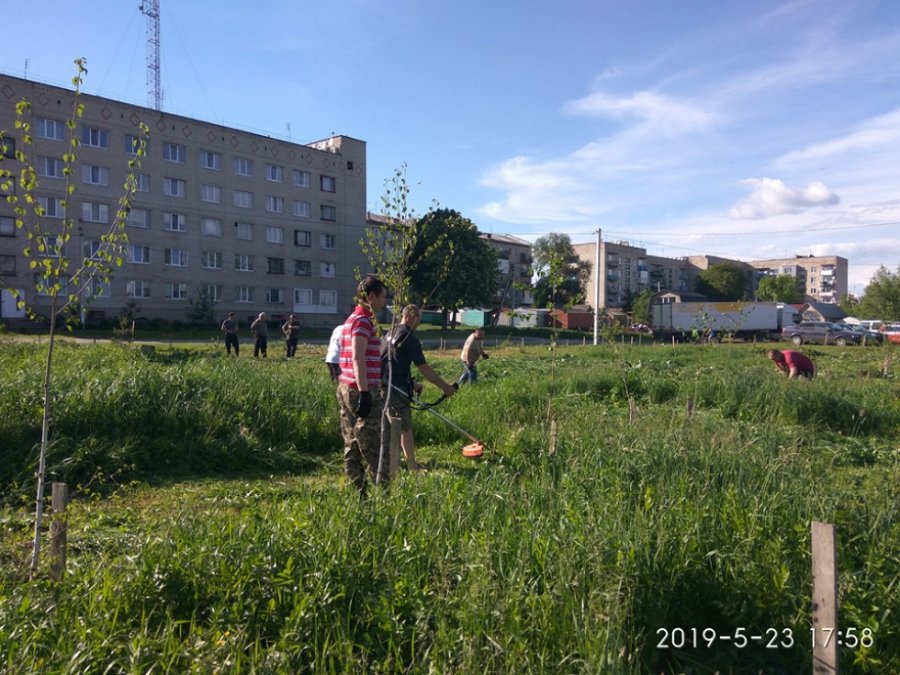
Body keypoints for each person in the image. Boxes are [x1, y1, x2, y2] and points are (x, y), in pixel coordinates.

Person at [382, 305, 457, 471]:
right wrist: (445, 387)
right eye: (419, 318)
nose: (420, 322)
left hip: (384, 384)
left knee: (392, 425)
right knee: (404, 427)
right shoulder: (409, 338)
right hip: (396, 388)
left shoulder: (391, 332)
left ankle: (395, 463)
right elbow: (423, 367)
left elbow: (393, 361)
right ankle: (410, 466)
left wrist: (412, 384)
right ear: (410, 316)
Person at [337, 275, 389, 494]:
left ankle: (358, 492)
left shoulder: (353, 319)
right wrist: (365, 392)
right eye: (383, 296)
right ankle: (384, 493)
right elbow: (358, 357)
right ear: (371, 296)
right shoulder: (362, 321)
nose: (384, 301)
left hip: (347, 385)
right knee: (373, 442)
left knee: (353, 441)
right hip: (360, 388)